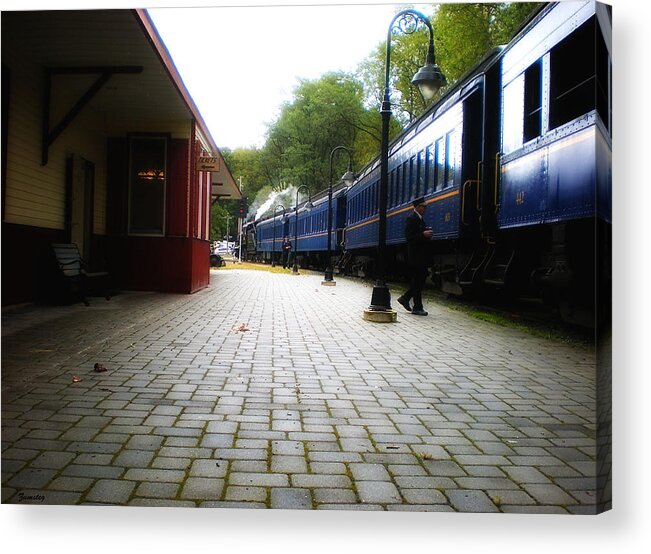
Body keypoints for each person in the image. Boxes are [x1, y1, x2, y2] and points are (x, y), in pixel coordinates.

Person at [397, 197, 433, 316]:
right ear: (417, 207)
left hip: (420, 256)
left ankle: (406, 298)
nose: (425, 209)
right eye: (423, 207)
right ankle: (417, 307)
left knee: (420, 280)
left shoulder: (419, 219)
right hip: (415, 256)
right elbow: (409, 237)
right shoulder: (411, 218)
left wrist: (425, 233)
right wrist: (423, 234)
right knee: (418, 280)